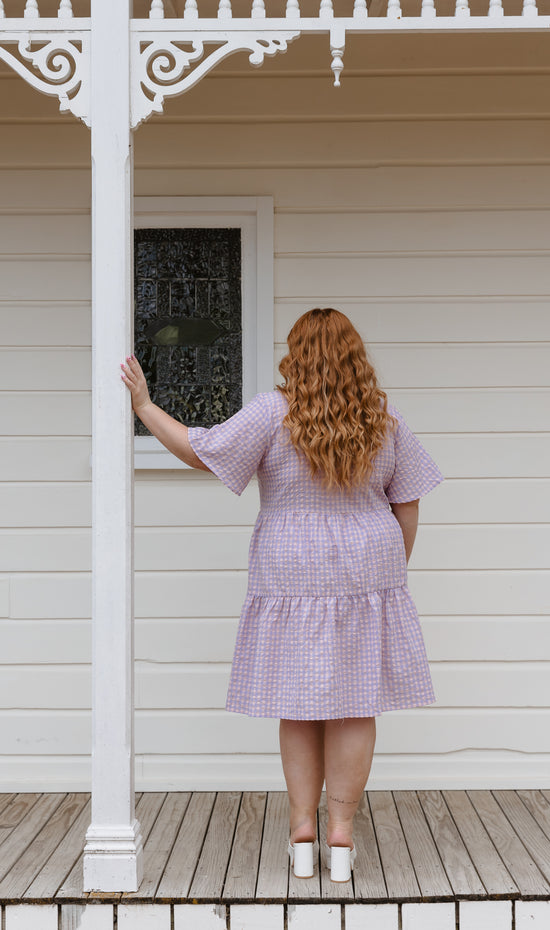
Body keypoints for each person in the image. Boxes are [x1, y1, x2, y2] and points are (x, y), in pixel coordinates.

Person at [121, 307, 443, 883]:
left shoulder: (274, 413)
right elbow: (410, 498)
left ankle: (302, 834)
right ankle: (341, 837)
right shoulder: (381, 417)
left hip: (289, 569)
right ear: (354, 356)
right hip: (366, 568)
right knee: (354, 702)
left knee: (297, 701)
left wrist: (145, 407)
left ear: (296, 355)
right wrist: (392, 566)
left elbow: (203, 449)